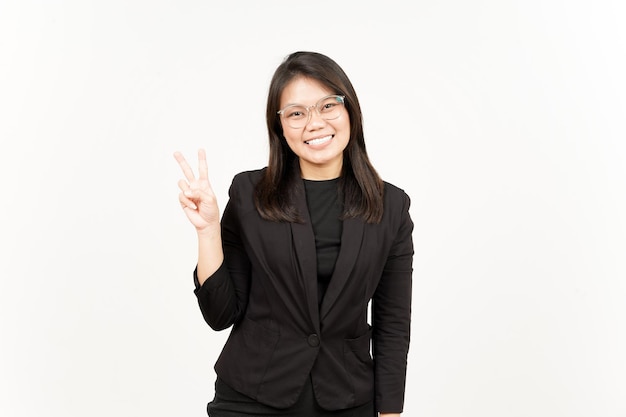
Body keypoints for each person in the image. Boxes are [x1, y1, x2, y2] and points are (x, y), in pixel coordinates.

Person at [174, 51, 413, 417]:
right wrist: (207, 232)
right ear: (281, 128)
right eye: (297, 113)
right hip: (252, 398)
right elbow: (220, 313)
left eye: (327, 106)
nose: (314, 123)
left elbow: (392, 323)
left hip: (347, 398)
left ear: (349, 111)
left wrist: (391, 411)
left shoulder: (391, 206)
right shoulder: (250, 193)